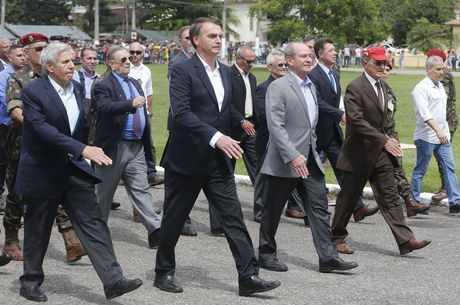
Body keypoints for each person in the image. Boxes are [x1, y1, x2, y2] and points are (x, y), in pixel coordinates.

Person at [154, 17, 281, 296]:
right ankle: (163, 271)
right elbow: (182, 114)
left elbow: (227, 112)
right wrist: (216, 137)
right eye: (212, 35)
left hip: (218, 162)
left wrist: (239, 131)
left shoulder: (226, 73)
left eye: (221, 35)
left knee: (233, 217)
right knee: (174, 218)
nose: (218, 40)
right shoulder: (182, 70)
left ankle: (248, 276)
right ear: (196, 40)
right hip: (187, 158)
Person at [16, 42, 142, 302]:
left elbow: (82, 125)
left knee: (93, 223)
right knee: (38, 229)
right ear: (49, 67)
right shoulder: (33, 91)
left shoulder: (77, 88)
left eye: (73, 61)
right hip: (42, 169)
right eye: (65, 62)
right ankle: (30, 282)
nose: (72, 65)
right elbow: (42, 130)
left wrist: (90, 149)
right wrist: (83, 148)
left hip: (74, 168)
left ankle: (113, 280)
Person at [258, 41, 358, 274]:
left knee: (319, 208)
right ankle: (266, 254)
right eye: (303, 56)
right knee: (272, 210)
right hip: (284, 161)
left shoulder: (311, 86)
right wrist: (292, 155)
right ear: (290, 60)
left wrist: (314, 153)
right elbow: (276, 126)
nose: (308, 59)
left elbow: (309, 126)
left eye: (310, 55)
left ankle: (328, 257)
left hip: (310, 160)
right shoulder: (279, 87)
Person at [331, 47, 431, 256]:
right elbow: (357, 122)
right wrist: (384, 140)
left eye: (386, 63)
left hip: (381, 154)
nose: (384, 67)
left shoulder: (384, 87)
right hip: (357, 154)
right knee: (348, 198)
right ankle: (337, 236)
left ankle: (405, 240)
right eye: (379, 63)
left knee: (390, 196)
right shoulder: (355, 87)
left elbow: (385, 120)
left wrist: (392, 139)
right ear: (365, 62)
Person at [3, 33, 86, 263]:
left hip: (54, 147)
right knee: (18, 195)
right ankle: (11, 239)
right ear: (26, 52)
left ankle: (71, 242)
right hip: (22, 148)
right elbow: (15, 109)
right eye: (37, 49)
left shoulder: (56, 79)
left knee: (57, 190)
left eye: (44, 48)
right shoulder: (18, 78)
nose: (42, 52)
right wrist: (40, 126)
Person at [92, 45, 162, 249]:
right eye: (123, 60)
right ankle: (95, 233)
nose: (128, 62)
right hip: (114, 146)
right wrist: (130, 104)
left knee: (141, 189)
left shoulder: (134, 82)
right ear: (111, 63)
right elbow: (104, 107)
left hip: (136, 146)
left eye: (129, 58)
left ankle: (155, 229)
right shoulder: (103, 84)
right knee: (103, 193)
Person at [308, 38, 378, 231]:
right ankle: (305, 210)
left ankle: (357, 208)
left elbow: (336, 98)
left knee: (345, 171)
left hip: (332, 132)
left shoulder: (334, 73)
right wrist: (339, 114)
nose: (335, 52)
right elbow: (317, 102)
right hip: (316, 131)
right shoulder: (312, 75)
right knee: (309, 173)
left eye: (335, 49)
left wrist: (345, 112)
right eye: (331, 50)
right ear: (320, 54)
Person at [253, 49, 306, 223]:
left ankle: (297, 207)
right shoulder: (263, 88)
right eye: (280, 65)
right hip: (267, 139)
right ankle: (260, 211)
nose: (284, 68)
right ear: (270, 67)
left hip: (289, 139)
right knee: (263, 178)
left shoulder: (293, 86)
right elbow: (263, 115)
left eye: (285, 65)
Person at [411, 55, 460, 213]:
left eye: (443, 68)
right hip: (426, 137)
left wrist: (443, 130)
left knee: (449, 168)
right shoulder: (420, 88)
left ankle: (455, 202)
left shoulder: (439, 86)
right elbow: (425, 114)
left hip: (442, 136)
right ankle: (414, 202)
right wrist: (438, 130)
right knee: (420, 170)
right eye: (438, 69)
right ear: (428, 69)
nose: (442, 72)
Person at [381, 61, 429, 217]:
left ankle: (409, 203)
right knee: (358, 175)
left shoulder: (387, 89)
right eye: (383, 68)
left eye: (388, 69)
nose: (385, 71)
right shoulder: (370, 90)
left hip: (390, 136)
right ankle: (351, 205)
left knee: (398, 169)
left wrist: (393, 136)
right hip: (375, 138)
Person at [129, 42, 164, 187]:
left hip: (143, 112)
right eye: (132, 52)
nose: (135, 55)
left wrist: (149, 111)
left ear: (143, 53)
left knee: (148, 144)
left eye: (138, 52)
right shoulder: (125, 68)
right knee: (126, 143)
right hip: (128, 111)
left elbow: (149, 92)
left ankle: (151, 173)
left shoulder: (146, 70)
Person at [427, 50, 459, 203]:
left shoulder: (442, 74)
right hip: (442, 121)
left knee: (443, 156)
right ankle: (447, 187)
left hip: (447, 122)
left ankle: (446, 188)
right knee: (441, 154)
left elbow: (442, 98)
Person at [230, 44, 257, 184]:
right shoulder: (227, 75)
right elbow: (226, 102)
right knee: (228, 167)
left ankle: (262, 204)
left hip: (251, 128)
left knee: (257, 166)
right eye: (248, 61)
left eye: (253, 61)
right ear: (238, 58)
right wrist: (240, 120)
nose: (251, 64)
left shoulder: (252, 78)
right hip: (232, 129)